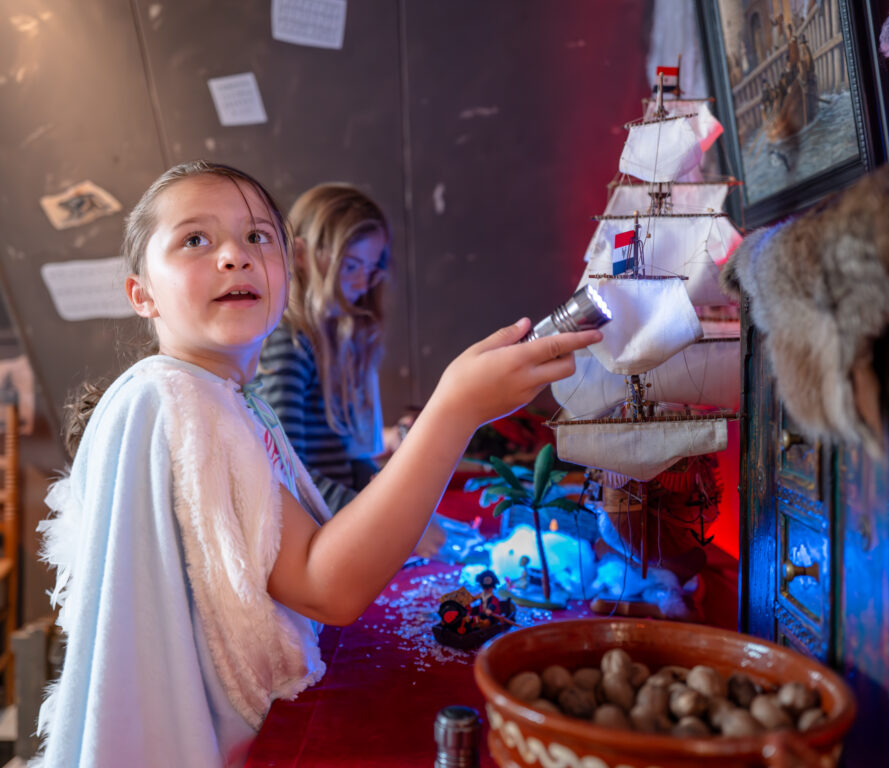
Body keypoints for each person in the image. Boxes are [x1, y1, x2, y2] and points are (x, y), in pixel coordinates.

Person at [36, 160, 601, 768]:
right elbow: (327, 588)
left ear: (287, 265)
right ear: (141, 293)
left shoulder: (224, 395)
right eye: (195, 239)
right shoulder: (178, 396)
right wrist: (455, 409)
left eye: (258, 236)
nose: (235, 255)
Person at [255, 183, 401, 511]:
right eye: (350, 266)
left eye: (371, 268)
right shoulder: (287, 344)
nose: (362, 284)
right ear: (302, 255)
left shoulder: (327, 340)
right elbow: (287, 471)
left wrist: (385, 498)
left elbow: (346, 458)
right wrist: (372, 519)